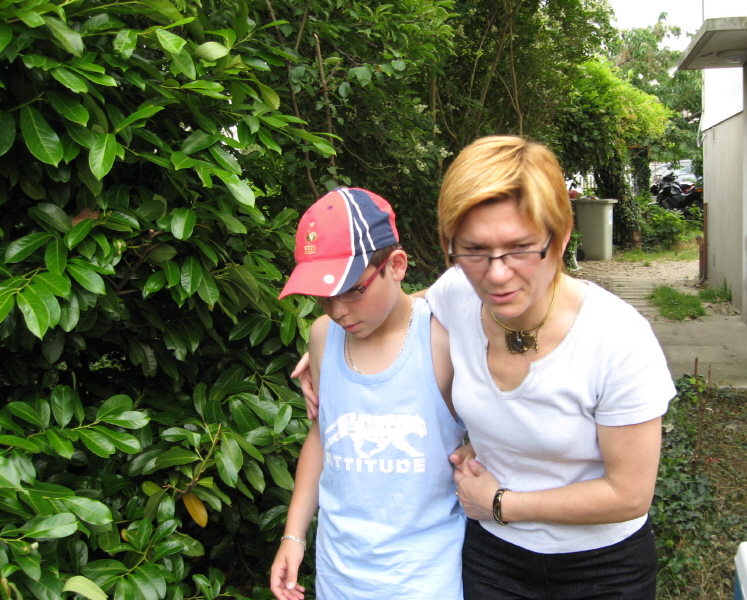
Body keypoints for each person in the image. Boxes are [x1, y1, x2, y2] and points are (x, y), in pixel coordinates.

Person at [296, 137, 676, 599]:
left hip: (601, 567)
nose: (496, 274)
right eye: (473, 250)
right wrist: (335, 343)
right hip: (493, 559)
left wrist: (500, 504)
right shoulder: (458, 293)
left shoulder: (616, 338)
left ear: (560, 238)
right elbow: (398, 308)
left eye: (520, 248)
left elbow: (629, 494)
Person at [270, 187, 466, 600]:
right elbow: (322, 435)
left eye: (353, 290)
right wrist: (293, 535)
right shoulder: (322, 336)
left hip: (426, 577)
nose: (338, 310)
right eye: (323, 296)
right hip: (338, 574)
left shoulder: (442, 340)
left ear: (396, 265)